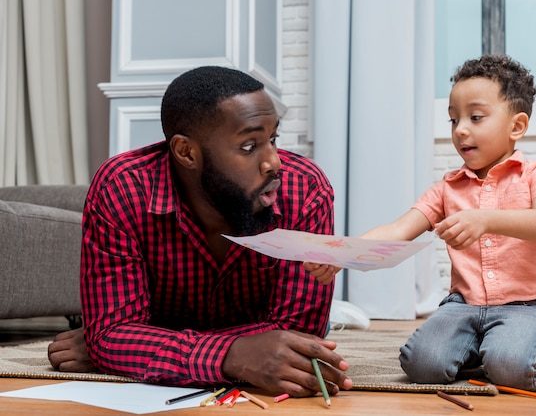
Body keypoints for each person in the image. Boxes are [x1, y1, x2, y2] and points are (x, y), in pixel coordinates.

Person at [47, 65, 351, 397]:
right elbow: (112, 335)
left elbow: (297, 336)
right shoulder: (121, 188)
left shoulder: (306, 191)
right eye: (250, 146)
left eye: (273, 139)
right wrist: (232, 356)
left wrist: (131, 348)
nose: (274, 162)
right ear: (186, 152)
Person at [311, 54, 536, 391]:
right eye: (453, 119)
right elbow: (397, 231)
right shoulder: (447, 188)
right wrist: (341, 254)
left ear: (516, 126)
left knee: (512, 371)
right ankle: (488, 346)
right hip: (462, 306)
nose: (460, 129)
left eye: (475, 117)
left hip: (526, 306)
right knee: (421, 365)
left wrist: (484, 219)